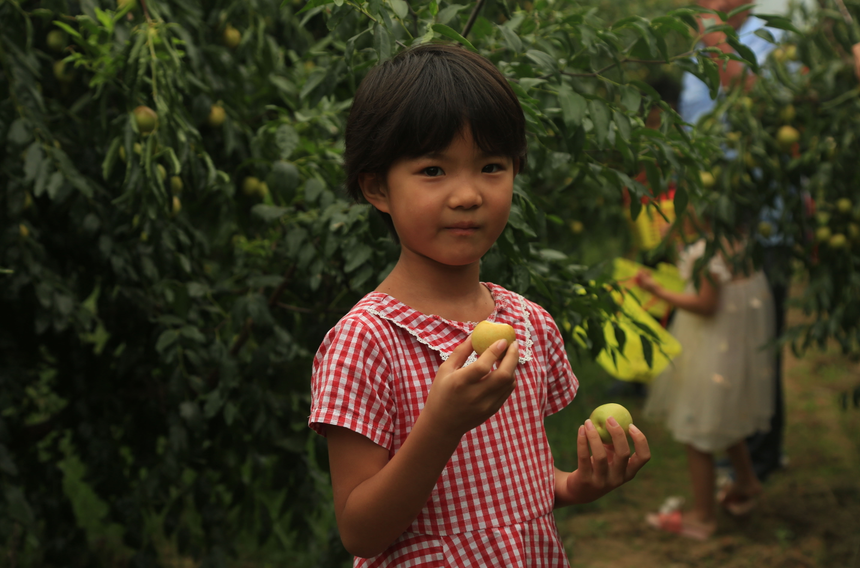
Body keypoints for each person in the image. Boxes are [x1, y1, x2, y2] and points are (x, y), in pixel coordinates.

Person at [308, 44, 651, 567]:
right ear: (377, 187)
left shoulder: (528, 323)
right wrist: (441, 424)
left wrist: (578, 484)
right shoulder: (366, 342)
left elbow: (515, 487)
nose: (468, 195)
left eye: (491, 166)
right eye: (433, 170)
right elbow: (360, 531)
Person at [678, 0, 790, 483]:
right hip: (711, 223)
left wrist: (714, 33)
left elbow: (758, 99)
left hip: (763, 224)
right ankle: (730, 449)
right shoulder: (695, 53)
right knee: (718, 344)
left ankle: (759, 456)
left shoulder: (773, 36)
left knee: (757, 344)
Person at [636, 215, 776, 540]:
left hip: (709, 348)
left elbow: (706, 304)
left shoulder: (704, 252)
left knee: (696, 430)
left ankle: (702, 516)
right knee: (721, 415)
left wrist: (657, 290)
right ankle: (746, 481)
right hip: (733, 348)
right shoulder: (739, 242)